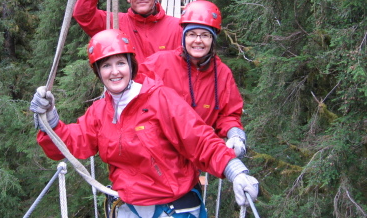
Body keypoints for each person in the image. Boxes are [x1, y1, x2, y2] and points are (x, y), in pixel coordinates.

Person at [30, 29, 258, 218]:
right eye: (106, 66)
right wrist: (49, 120)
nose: (115, 71)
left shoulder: (160, 100)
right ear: (98, 73)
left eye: (121, 63)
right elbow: (72, 143)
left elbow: (199, 140)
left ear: (132, 66)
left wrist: (235, 171)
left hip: (173, 208)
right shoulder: (100, 112)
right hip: (129, 208)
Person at [138, 0, 246, 158]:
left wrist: (236, 134)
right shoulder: (159, 63)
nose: (198, 40)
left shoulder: (222, 74)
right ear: (183, 37)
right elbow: (132, 94)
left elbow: (228, 114)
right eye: (192, 34)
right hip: (157, 156)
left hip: (195, 158)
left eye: (205, 35)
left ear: (213, 40)